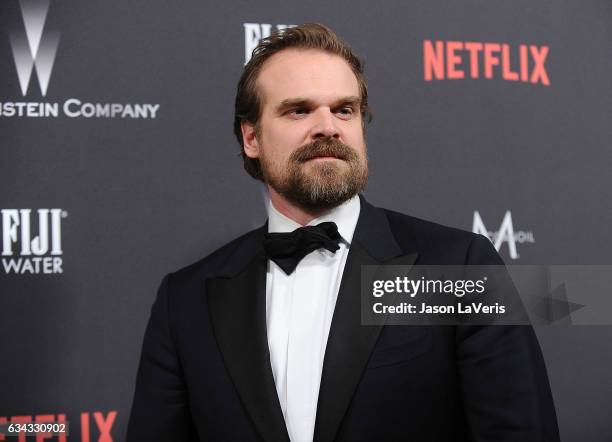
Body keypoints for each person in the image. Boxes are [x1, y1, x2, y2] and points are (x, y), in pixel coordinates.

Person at [127, 23, 559, 442]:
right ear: (251, 137)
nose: (328, 126)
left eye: (344, 109)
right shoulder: (186, 299)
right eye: (298, 110)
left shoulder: (457, 266)